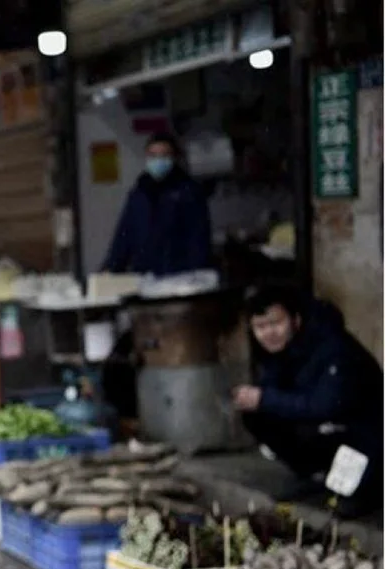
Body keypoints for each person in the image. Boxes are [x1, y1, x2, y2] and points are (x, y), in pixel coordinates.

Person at [233, 285, 383, 517]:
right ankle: (318, 474)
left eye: (276, 324)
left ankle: (365, 486)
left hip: (365, 434)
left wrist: (266, 398)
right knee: (257, 414)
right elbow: (275, 393)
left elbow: (328, 405)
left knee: (348, 505)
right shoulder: (275, 351)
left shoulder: (333, 347)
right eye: (260, 327)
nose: (268, 333)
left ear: (296, 320)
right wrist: (260, 399)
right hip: (325, 428)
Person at [103, 132, 212, 277]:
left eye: (164, 155)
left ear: (175, 158)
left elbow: (198, 240)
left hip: (179, 277)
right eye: (153, 155)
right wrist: (109, 270)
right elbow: (124, 236)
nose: (158, 160)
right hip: (144, 276)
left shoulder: (189, 193)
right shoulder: (139, 194)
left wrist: (197, 276)